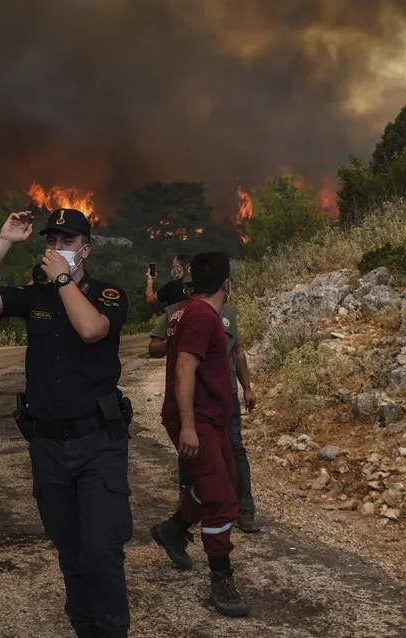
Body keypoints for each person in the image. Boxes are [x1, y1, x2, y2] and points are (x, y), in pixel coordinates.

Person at [0, 209, 132, 638]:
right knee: (71, 552)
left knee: (101, 551)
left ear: (86, 250)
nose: (57, 250)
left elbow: (92, 329)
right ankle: (84, 628)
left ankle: (113, 631)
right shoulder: (34, 295)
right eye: (52, 241)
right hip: (48, 445)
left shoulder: (108, 293)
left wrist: (63, 281)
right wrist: (3, 240)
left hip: (97, 442)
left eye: (68, 242)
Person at [150, 252, 249, 617]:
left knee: (225, 483)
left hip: (210, 420)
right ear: (226, 283)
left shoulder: (184, 311)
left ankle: (173, 530)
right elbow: (184, 370)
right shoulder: (202, 315)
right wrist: (188, 426)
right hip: (198, 422)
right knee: (222, 500)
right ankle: (221, 579)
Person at [148, 275, 260, 533]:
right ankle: (190, 506)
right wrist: (174, 342)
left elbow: (237, 351)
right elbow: (154, 347)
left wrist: (247, 387)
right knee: (192, 454)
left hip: (226, 395)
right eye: (186, 285)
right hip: (195, 398)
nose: (189, 289)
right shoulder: (176, 313)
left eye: (193, 284)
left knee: (235, 449)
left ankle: (244, 507)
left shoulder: (228, 313)